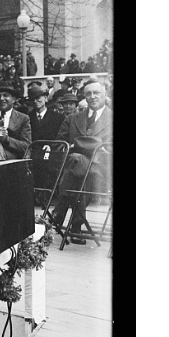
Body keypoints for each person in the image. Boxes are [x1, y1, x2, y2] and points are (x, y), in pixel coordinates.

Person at [51, 81, 112, 244]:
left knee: (77, 161)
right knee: (77, 164)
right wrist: (70, 149)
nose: (92, 97)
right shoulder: (72, 118)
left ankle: (59, 211)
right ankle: (76, 226)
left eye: (96, 93)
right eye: (88, 94)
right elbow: (59, 145)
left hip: (102, 172)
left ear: (104, 94)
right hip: (80, 172)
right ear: (84, 97)